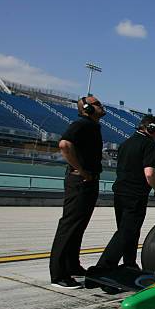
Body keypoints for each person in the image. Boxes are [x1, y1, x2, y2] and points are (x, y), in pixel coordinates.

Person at [50, 95, 106, 289]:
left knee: (78, 226)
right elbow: (64, 144)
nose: (101, 106)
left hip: (87, 181)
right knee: (69, 226)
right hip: (80, 180)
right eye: (97, 104)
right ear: (88, 109)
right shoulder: (82, 124)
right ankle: (58, 275)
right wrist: (80, 170)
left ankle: (72, 265)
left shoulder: (92, 126)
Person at [96, 115, 155, 271]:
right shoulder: (149, 145)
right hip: (135, 195)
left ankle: (129, 263)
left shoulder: (125, 143)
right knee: (126, 232)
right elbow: (149, 173)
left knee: (129, 231)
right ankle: (103, 268)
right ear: (151, 128)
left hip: (120, 192)